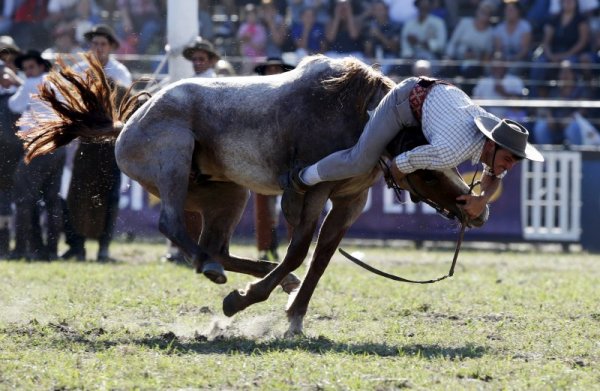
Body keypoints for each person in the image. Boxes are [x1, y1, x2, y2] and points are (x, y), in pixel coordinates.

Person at [280, 76, 545, 227]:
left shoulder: (489, 132)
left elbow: (494, 173)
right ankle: (302, 177)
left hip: (427, 101)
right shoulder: (450, 152)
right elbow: (400, 164)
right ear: (491, 145)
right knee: (359, 162)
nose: (508, 167)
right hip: (402, 103)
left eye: (514, 162)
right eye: (508, 159)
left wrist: (482, 199)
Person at [61, 24, 132, 262]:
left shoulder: (120, 73)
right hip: (86, 140)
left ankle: (104, 248)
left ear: (111, 47)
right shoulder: (79, 69)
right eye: (95, 44)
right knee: (76, 193)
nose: (98, 48)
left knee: (110, 195)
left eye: (103, 44)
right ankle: (77, 246)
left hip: (111, 142)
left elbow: (124, 108)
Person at [161, 36, 220, 263]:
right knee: (187, 197)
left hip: (203, 148)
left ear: (211, 60)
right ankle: (189, 249)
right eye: (195, 59)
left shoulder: (211, 83)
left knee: (194, 198)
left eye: (201, 59)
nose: (197, 62)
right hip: (193, 147)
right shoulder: (195, 82)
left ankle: (193, 250)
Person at [7, 50, 64, 260]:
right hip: (58, 145)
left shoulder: (31, 84)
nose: (29, 72)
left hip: (38, 145)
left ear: (41, 66)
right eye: (26, 69)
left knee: (23, 198)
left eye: (31, 67)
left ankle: (21, 249)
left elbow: (15, 104)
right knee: (52, 200)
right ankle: (50, 251)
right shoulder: (56, 82)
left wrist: (15, 82)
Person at [253, 57, 295, 261]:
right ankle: (264, 248)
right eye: (270, 69)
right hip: (263, 157)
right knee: (263, 206)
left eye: (277, 69)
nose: (273, 72)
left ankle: (294, 248)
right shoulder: (256, 97)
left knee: (294, 202)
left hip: (288, 157)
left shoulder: (293, 98)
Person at [0, 36, 22, 258]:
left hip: (16, 147)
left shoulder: (22, 79)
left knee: (13, 194)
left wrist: (14, 81)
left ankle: (14, 244)